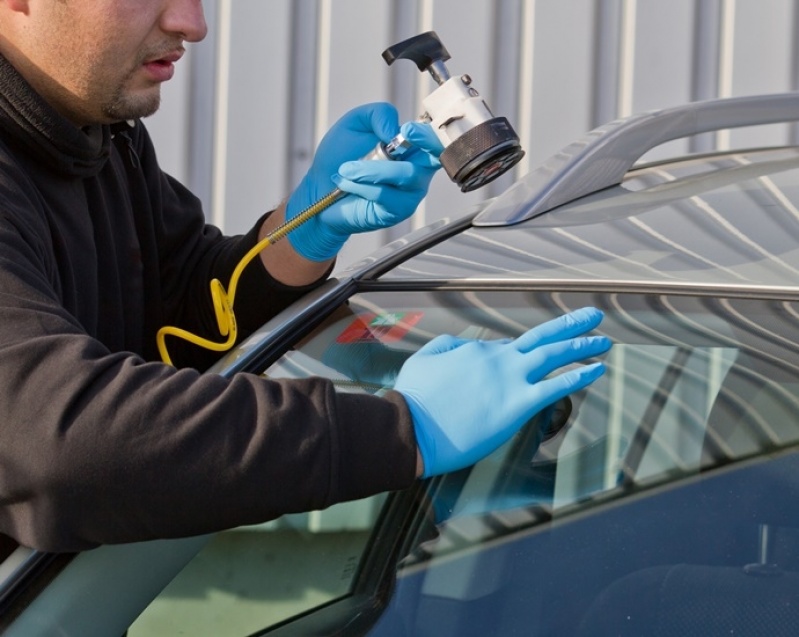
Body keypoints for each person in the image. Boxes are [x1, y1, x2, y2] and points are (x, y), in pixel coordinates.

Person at [0, 0, 611, 553]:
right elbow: (58, 445)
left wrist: (305, 229)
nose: (192, 23)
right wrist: (406, 430)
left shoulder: (97, 137)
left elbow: (180, 313)